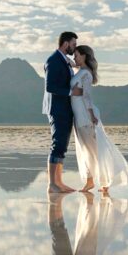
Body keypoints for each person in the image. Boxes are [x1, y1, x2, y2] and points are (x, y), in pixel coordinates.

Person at [70, 45, 128, 192]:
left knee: (94, 151)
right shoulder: (79, 71)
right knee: (85, 150)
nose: (75, 58)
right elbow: (75, 87)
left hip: (85, 115)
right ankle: (92, 181)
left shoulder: (86, 74)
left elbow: (86, 96)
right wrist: (72, 66)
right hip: (78, 115)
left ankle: (105, 182)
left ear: (84, 56)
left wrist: (91, 115)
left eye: (77, 56)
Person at [43, 31, 79, 193]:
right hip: (57, 108)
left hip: (65, 108)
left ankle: (59, 182)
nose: (75, 47)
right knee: (57, 144)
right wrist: (72, 92)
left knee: (62, 145)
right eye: (73, 44)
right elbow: (50, 87)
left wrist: (74, 65)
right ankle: (52, 184)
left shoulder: (63, 60)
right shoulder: (53, 60)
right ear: (65, 43)